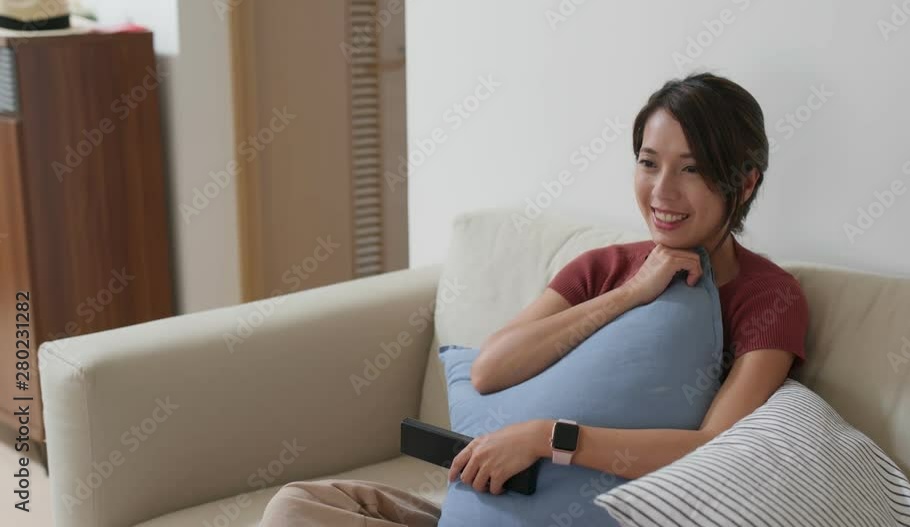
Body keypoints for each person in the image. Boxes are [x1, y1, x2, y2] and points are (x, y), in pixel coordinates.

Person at [258, 71, 809, 526]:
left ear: (745, 183)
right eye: (648, 163)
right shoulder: (605, 267)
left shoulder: (769, 298)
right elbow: (490, 369)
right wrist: (631, 294)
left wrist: (549, 438)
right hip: (498, 506)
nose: (662, 191)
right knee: (297, 508)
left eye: (692, 169)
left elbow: (712, 448)